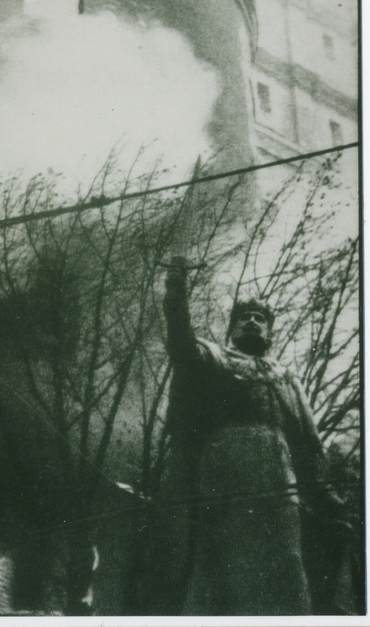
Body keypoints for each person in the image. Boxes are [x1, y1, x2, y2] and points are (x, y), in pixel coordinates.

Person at [160, 257, 348, 615]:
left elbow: (309, 446)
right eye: (243, 317)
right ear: (231, 330)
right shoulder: (213, 358)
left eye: (259, 318)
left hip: (278, 490)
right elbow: (181, 343)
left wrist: (328, 497)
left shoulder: (286, 378)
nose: (251, 321)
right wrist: (177, 289)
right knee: (219, 577)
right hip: (225, 483)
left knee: (284, 574)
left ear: (270, 333)